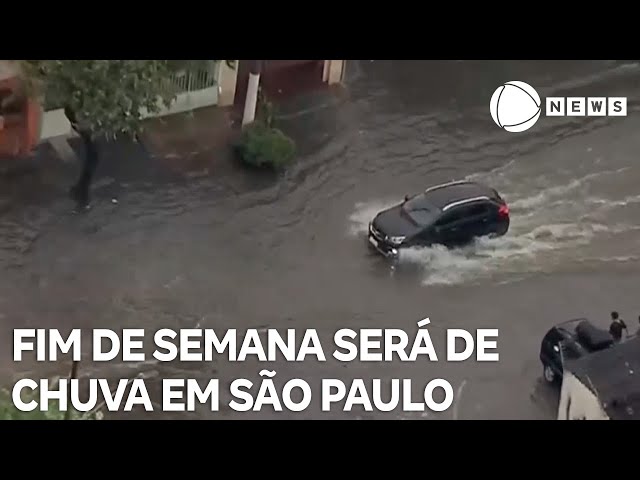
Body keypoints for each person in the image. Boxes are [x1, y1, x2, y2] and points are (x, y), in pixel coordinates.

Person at [65, 105, 98, 211]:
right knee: (92, 159)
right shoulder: (82, 125)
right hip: (84, 129)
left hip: (83, 128)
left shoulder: (80, 123)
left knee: (92, 157)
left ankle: (80, 191)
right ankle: (81, 194)